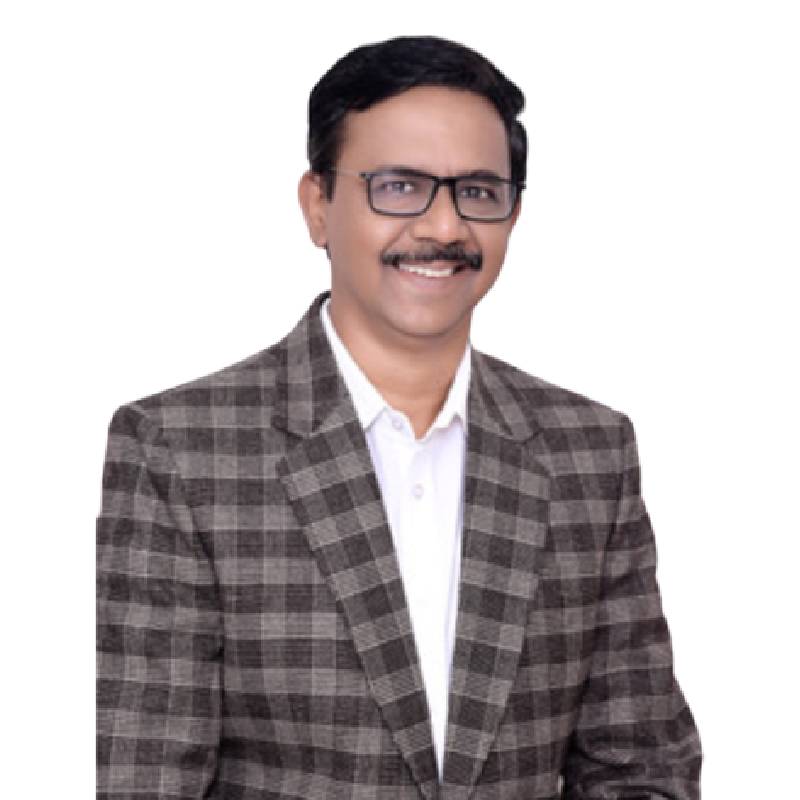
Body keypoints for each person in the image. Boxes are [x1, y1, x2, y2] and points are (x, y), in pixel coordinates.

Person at [96, 35, 701, 800]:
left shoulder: (589, 451)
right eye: (400, 186)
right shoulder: (179, 452)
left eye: (478, 191)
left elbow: (641, 768)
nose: (444, 227)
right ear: (319, 205)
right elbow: (145, 778)